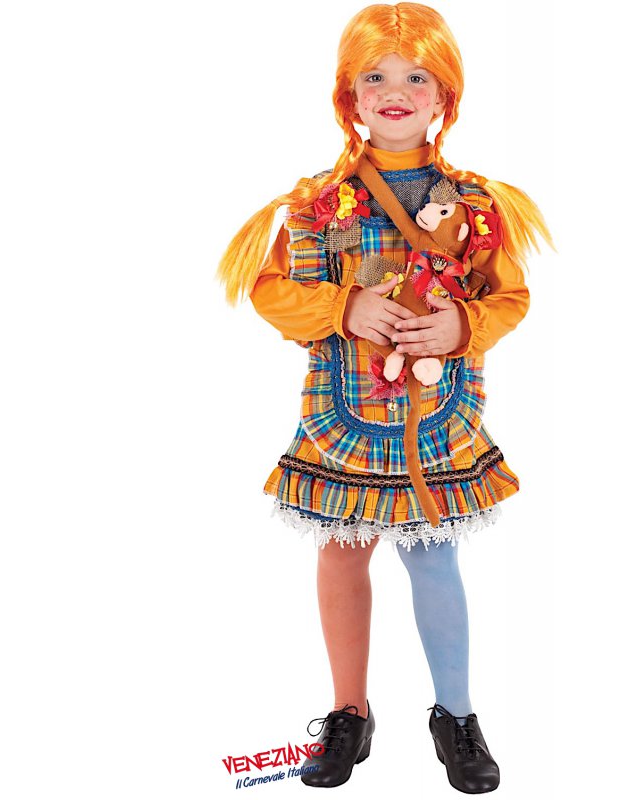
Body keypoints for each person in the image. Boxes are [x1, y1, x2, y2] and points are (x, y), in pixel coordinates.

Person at [216, 3, 552, 793]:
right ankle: (349, 713)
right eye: (375, 76)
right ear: (349, 96)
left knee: (435, 556)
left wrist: (462, 323)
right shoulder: (315, 204)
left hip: (436, 417)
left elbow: (511, 297)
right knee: (341, 553)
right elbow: (272, 292)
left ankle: (456, 716)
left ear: (445, 96)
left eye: (415, 77)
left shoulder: (478, 205)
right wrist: (344, 308)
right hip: (346, 411)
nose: (394, 91)